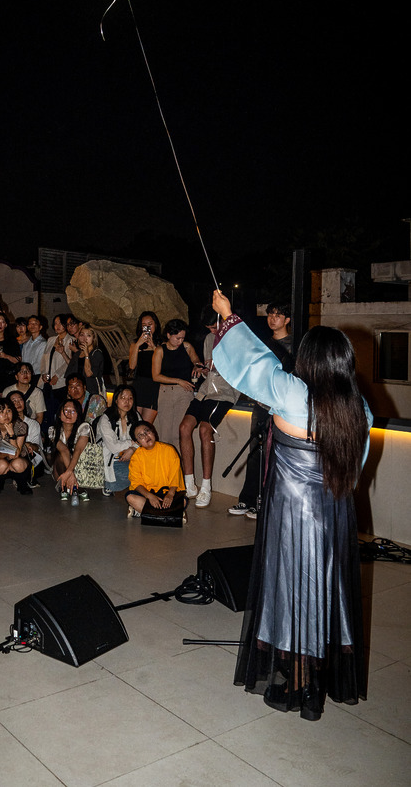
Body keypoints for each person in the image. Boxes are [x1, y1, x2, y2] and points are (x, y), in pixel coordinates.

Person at [211, 289, 372, 721]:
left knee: (291, 590)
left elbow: (252, 363)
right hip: (334, 513)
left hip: (292, 513)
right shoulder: (358, 408)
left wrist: (227, 315)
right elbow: (355, 467)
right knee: (324, 590)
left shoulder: (291, 393)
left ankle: (300, 686)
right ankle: (315, 681)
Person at [228, 302, 294, 519]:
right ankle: (248, 499)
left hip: (282, 408)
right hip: (261, 405)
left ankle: (265, 502)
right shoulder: (263, 344)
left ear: (287, 320)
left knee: (275, 453)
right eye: (270, 315)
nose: (273, 319)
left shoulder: (295, 345)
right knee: (255, 450)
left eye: (278, 315)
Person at [178, 307, 240, 508]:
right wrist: (202, 369)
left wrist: (217, 367)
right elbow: (209, 370)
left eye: (214, 327)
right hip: (206, 391)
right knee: (184, 427)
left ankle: (206, 486)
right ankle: (189, 483)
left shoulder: (236, 338)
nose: (213, 331)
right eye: (209, 328)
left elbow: (239, 370)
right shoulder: (208, 339)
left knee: (205, 429)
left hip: (224, 393)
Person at [151, 318, 203, 447]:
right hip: (166, 392)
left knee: (179, 433)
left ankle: (179, 459)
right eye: (177, 338)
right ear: (169, 335)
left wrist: (197, 366)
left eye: (182, 338)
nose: (180, 341)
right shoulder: (160, 350)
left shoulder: (186, 346)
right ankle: (166, 459)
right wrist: (178, 381)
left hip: (184, 391)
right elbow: (156, 376)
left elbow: (196, 360)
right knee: (165, 434)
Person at [125, 422, 186, 519]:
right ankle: (171, 514)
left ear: (153, 432)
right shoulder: (136, 457)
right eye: (141, 436)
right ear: (137, 442)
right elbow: (136, 482)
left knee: (183, 500)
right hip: (147, 494)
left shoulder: (169, 450)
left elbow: (175, 476)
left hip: (168, 492)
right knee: (130, 497)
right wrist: (149, 496)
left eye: (147, 431)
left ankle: (147, 513)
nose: (146, 436)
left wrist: (170, 494)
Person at [0, 396, 33, 494]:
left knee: (17, 463)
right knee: (1, 464)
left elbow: (16, 454)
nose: (6, 415)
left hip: (19, 458)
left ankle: (22, 484)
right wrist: (6, 455)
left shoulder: (21, 426)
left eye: (8, 411)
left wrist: (11, 435)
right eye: (1, 412)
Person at [96, 386, 140, 495]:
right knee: (134, 473)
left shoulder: (135, 416)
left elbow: (143, 438)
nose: (127, 401)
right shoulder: (106, 419)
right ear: (116, 400)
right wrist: (131, 443)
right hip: (112, 460)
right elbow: (113, 447)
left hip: (132, 457)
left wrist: (132, 449)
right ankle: (109, 484)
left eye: (130, 398)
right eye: (123, 398)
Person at [51, 398, 92, 503]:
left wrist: (69, 472)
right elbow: (64, 450)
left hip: (81, 467)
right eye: (66, 410)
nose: (69, 414)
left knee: (74, 455)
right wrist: (71, 474)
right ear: (59, 414)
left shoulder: (84, 427)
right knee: (60, 456)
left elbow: (78, 450)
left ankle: (70, 486)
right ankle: (73, 487)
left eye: (73, 411)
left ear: (78, 415)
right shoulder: (53, 430)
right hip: (60, 468)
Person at [39, 313, 74, 425]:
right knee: (47, 409)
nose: (57, 326)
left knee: (59, 409)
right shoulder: (51, 340)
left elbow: (69, 362)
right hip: (47, 381)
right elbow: (44, 358)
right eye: (55, 324)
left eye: (60, 323)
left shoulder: (71, 340)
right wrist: (43, 373)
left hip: (61, 381)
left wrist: (57, 375)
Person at [128, 311, 162, 423]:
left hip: (154, 385)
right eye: (144, 325)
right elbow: (132, 366)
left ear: (155, 325)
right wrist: (138, 344)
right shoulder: (135, 344)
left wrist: (154, 347)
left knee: (146, 424)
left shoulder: (161, 344)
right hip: (139, 384)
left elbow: (164, 365)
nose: (147, 327)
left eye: (150, 324)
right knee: (134, 422)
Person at [64, 324, 105, 398]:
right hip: (77, 393)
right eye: (82, 335)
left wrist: (86, 355)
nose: (84, 338)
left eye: (88, 336)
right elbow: (69, 373)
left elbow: (89, 373)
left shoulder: (96, 353)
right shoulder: (78, 353)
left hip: (91, 393)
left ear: (93, 338)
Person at [21, 315, 47, 383]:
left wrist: (28, 373)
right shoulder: (26, 343)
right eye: (30, 323)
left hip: (36, 375)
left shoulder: (43, 343)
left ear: (40, 327)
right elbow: (23, 360)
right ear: (28, 327)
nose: (32, 325)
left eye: (35, 323)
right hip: (25, 375)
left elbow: (39, 363)